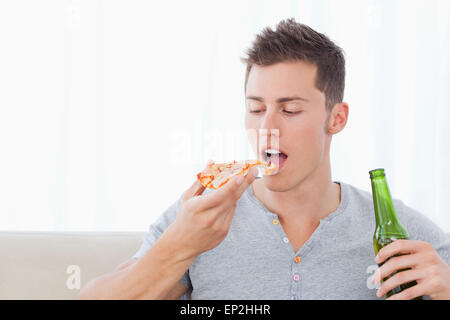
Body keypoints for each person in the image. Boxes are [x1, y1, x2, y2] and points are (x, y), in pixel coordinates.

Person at [77, 18, 450, 300]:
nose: (267, 127)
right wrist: (180, 247)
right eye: (256, 109)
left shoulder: (394, 230)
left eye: (289, 110)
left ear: (336, 118)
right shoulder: (199, 218)